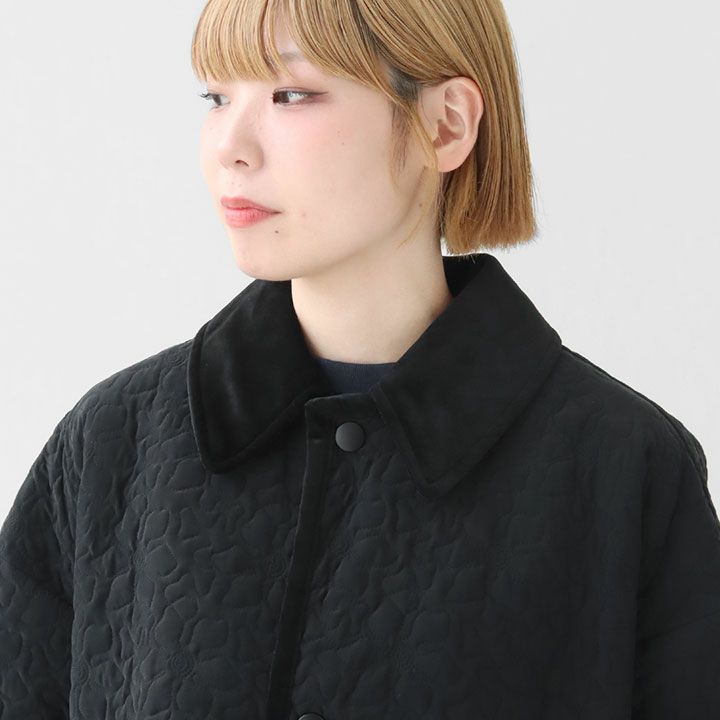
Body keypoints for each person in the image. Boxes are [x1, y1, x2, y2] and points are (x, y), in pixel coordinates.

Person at [2, 0, 719, 718]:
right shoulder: (113, 444)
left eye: (291, 94)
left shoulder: (623, 466)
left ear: (446, 125)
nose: (230, 147)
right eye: (216, 98)